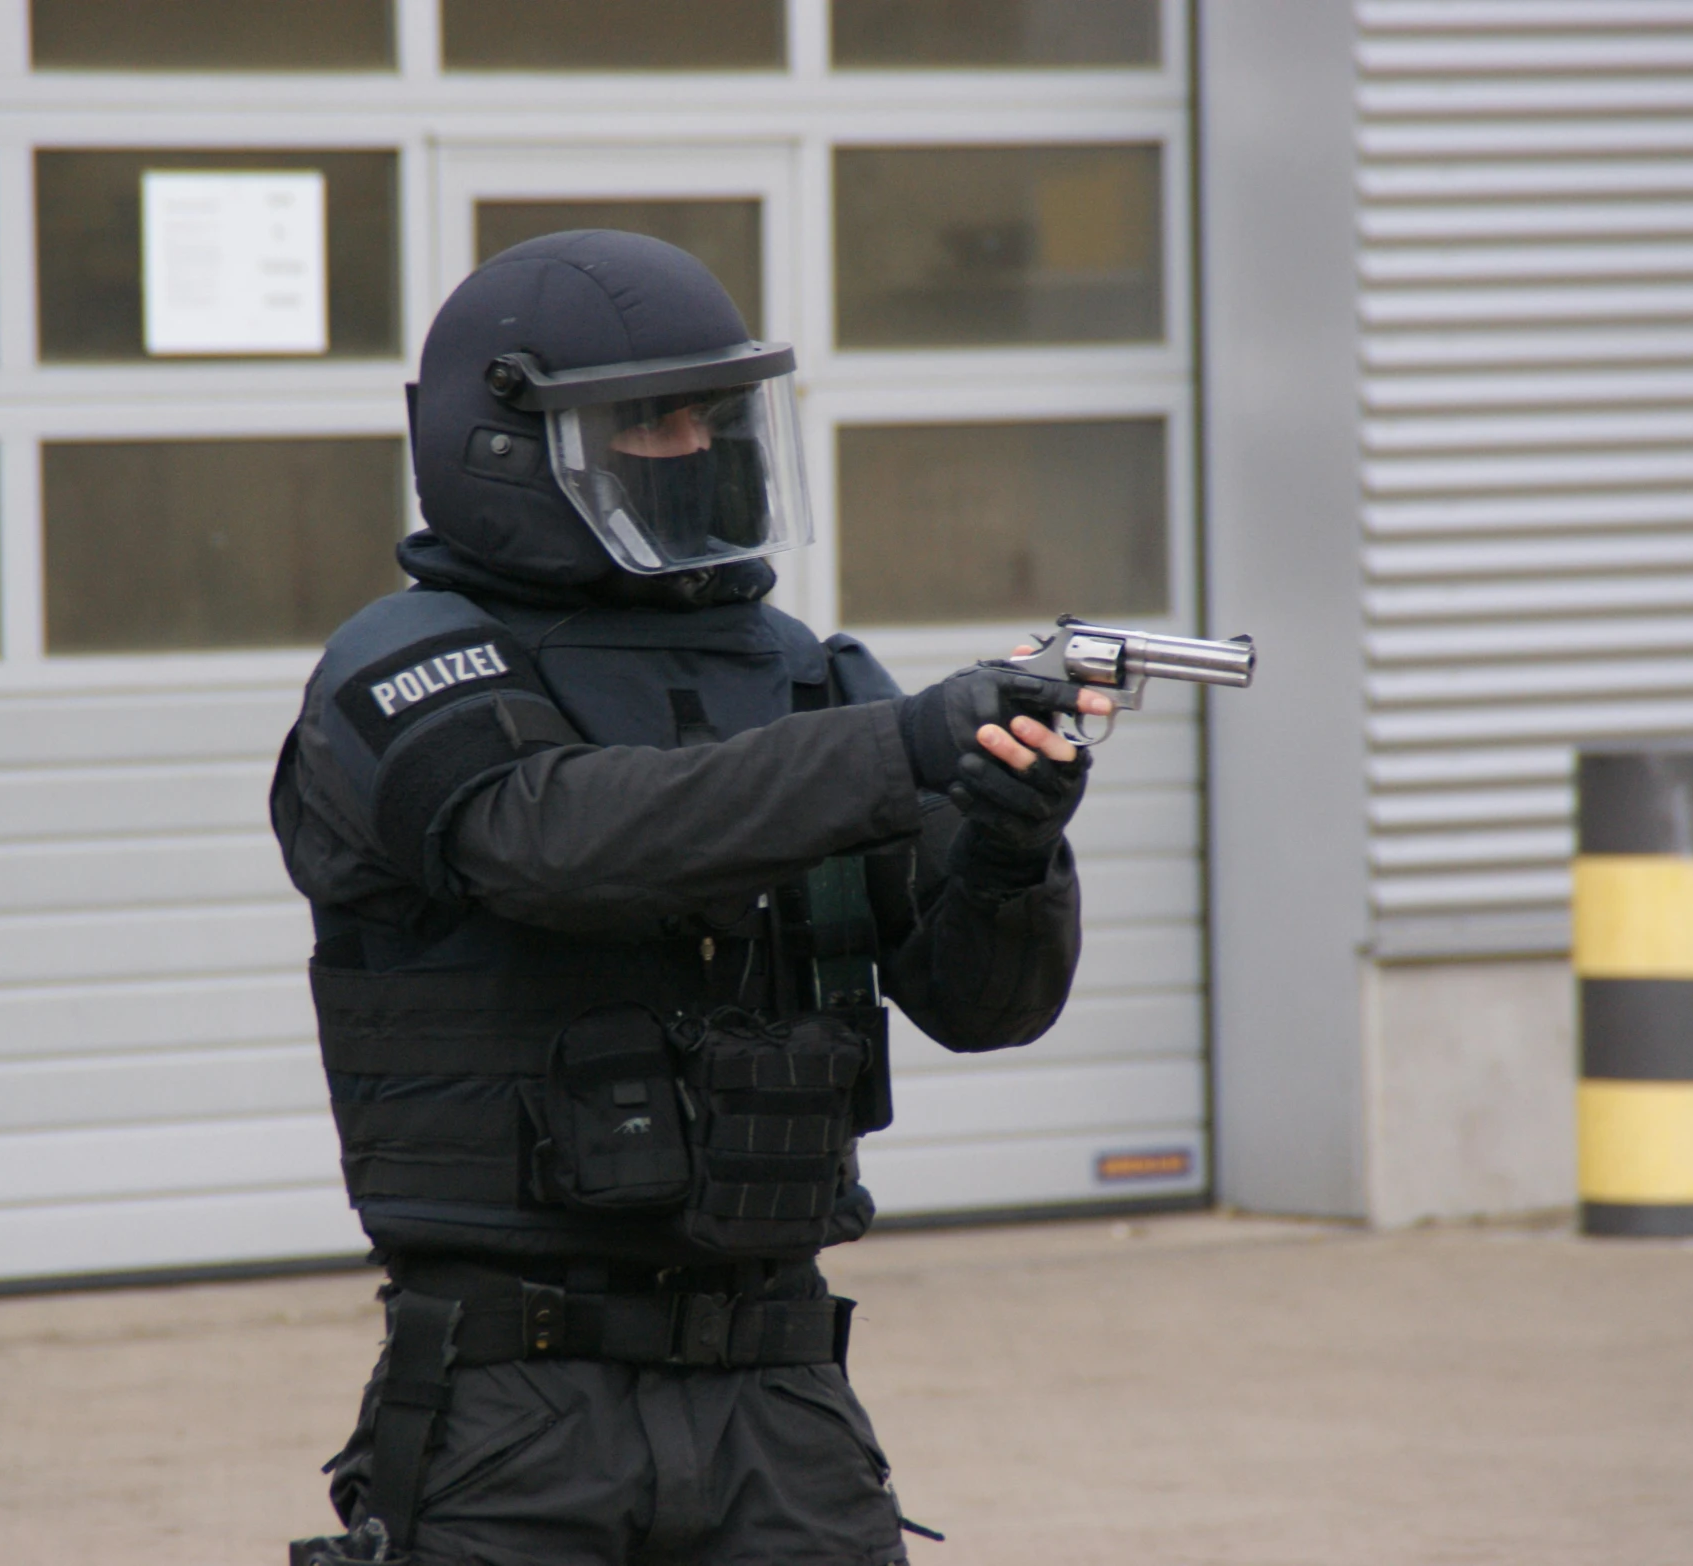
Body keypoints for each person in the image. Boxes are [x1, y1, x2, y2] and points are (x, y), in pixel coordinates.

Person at [269, 229, 1110, 1566]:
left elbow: (987, 1004)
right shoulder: (403, 670)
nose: (690, 444)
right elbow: (559, 840)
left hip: (779, 1392)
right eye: (645, 419)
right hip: (516, 1402)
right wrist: (903, 752)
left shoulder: (800, 674)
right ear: (506, 445)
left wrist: (1011, 849)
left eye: (706, 411)